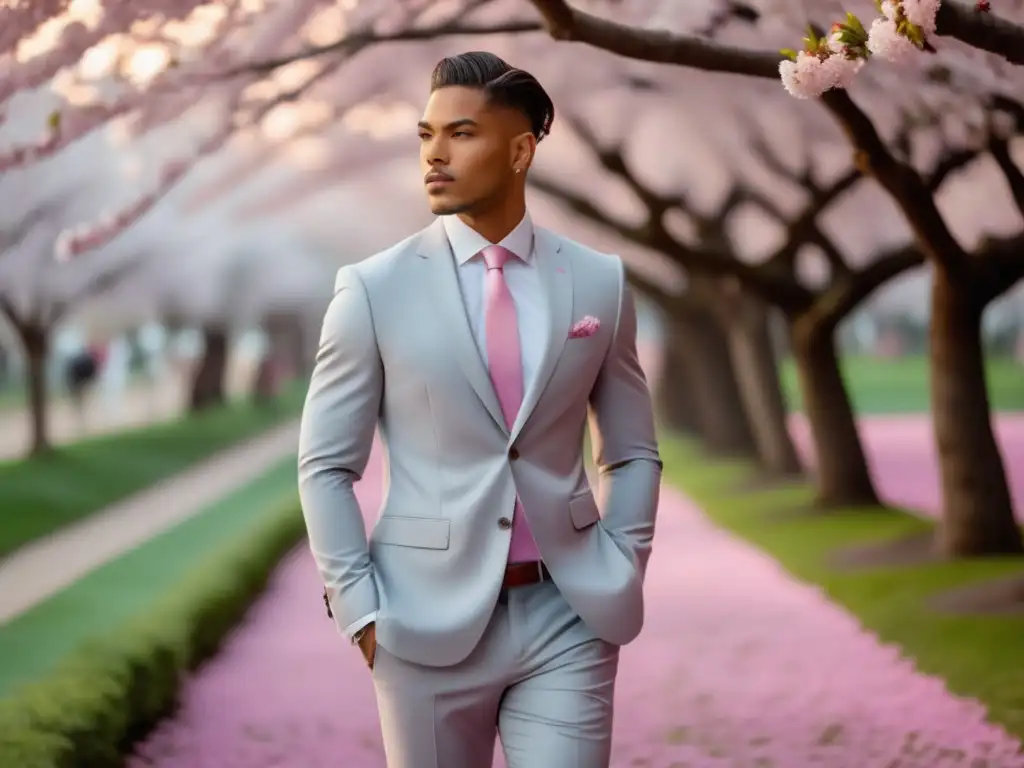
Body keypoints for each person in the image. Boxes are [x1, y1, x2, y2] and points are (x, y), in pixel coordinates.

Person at [298, 51, 662, 768]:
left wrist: (623, 561)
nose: (435, 154)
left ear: (521, 149)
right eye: (426, 135)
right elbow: (325, 466)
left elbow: (632, 450)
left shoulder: (599, 282)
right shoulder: (372, 290)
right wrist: (361, 612)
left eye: (461, 134)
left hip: (570, 614)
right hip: (420, 622)